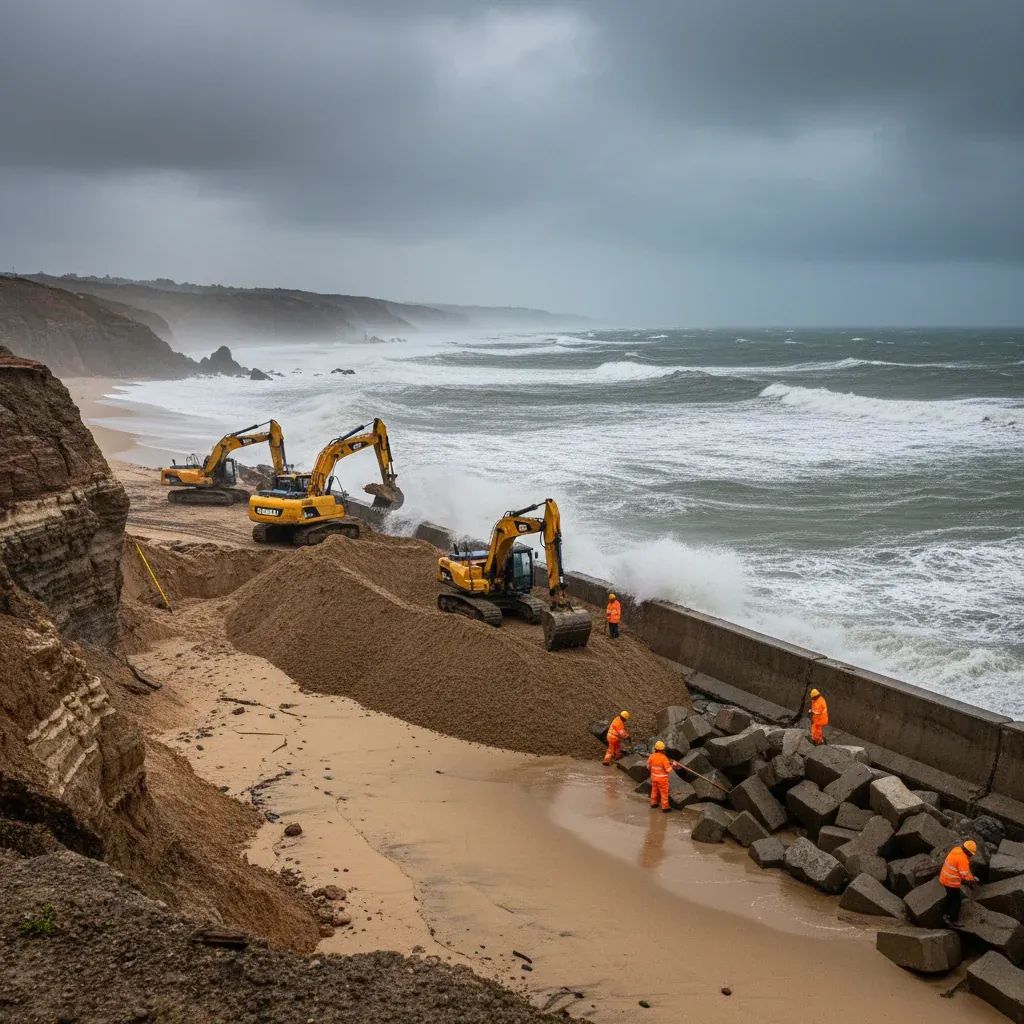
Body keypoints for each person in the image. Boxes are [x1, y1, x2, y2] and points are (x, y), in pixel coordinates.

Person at [940, 839, 978, 924]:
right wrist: (973, 879)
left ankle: (947, 915)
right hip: (951, 882)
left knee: (950, 898)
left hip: (944, 878)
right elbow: (965, 874)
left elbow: (958, 864)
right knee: (956, 902)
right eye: (971, 854)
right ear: (967, 851)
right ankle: (953, 920)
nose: (971, 856)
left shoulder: (956, 850)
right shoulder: (962, 859)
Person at [647, 740, 681, 812]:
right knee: (664, 793)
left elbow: (648, 767)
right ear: (663, 750)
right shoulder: (663, 758)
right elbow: (668, 769)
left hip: (653, 778)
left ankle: (654, 803)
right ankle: (665, 807)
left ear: (655, 749)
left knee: (654, 791)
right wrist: (673, 765)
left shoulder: (651, 756)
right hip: (662, 779)